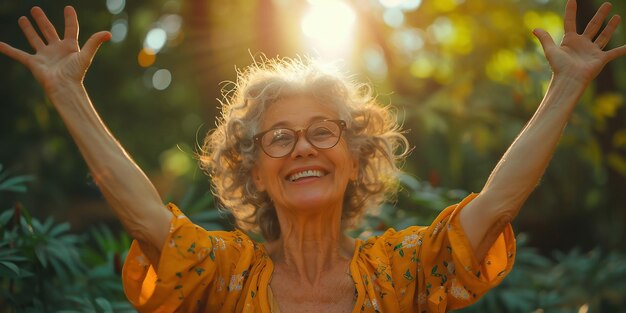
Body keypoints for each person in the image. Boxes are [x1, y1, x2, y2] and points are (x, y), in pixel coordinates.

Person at [1, 0, 624, 312]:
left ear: (355, 158)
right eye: (277, 137)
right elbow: (143, 217)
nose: (302, 146)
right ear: (254, 172)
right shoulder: (222, 272)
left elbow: (497, 204)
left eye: (323, 132)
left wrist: (566, 85)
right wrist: (67, 94)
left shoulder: (400, 269)